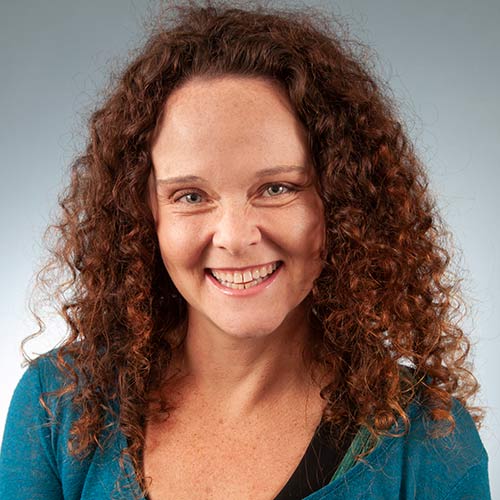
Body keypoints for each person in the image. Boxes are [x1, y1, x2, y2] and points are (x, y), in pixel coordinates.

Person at [0, 2, 491, 499]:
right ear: (145, 211)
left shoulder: (429, 442)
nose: (234, 238)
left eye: (277, 188)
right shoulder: (58, 406)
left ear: (343, 201)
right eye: (190, 196)